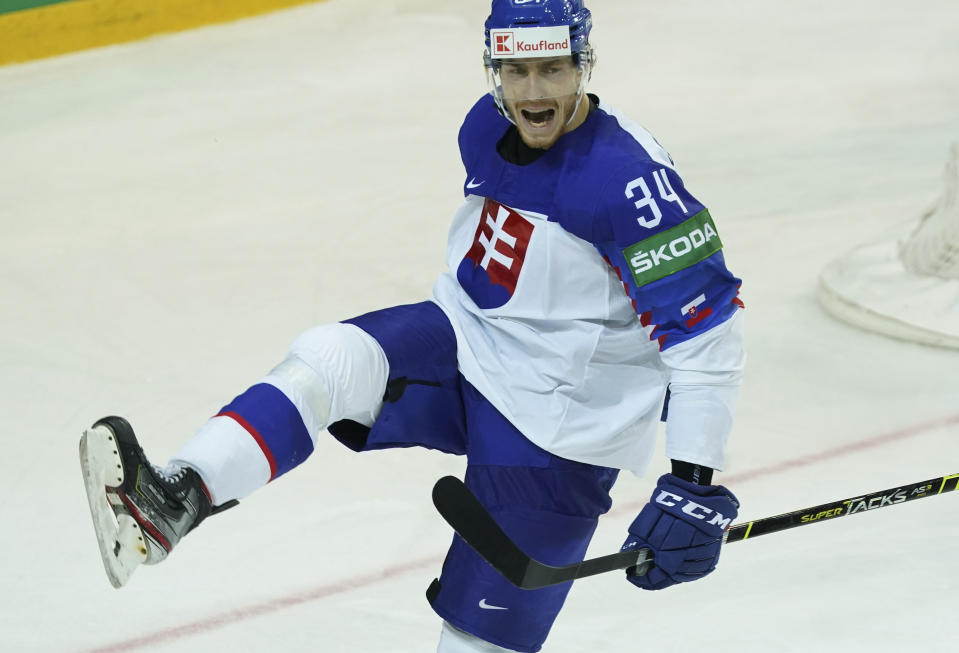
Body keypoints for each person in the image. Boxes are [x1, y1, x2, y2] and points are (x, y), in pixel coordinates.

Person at [78, 1, 745, 651]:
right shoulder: (483, 127)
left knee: (475, 638)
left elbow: (706, 336)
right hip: (466, 343)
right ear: (492, 70)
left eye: (552, 69)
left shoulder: (630, 186)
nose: (533, 92)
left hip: (563, 420)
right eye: (516, 72)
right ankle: (176, 498)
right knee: (332, 357)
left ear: (584, 64)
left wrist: (692, 482)